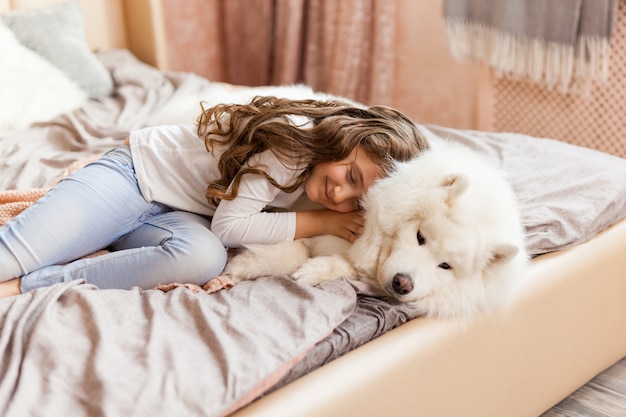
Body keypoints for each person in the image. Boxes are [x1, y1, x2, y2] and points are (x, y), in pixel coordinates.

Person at [0, 96, 429, 298]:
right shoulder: (293, 145)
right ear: (344, 137)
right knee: (12, 255)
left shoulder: (326, 178)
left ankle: (29, 287)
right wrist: (324, 222)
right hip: (135, 176)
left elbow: (221, 235)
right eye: (350, 174)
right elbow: (231, 226)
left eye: (357, 199)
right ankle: (28, 266)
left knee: (204, 258)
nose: (340, 193)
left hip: (177, 212)